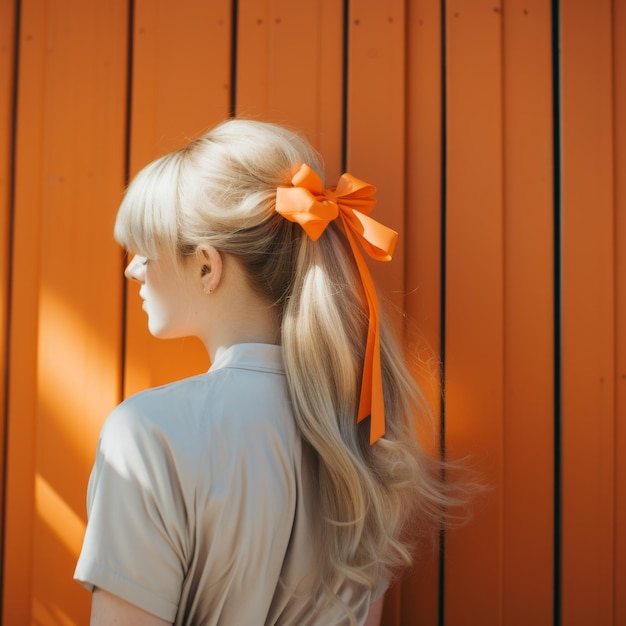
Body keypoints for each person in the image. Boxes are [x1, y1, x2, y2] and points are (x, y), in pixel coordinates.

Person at [74, 119, 454, 625]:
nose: (133, 270)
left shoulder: (148, 433)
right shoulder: (367, 440)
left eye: (145, 250)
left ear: (207, 267)